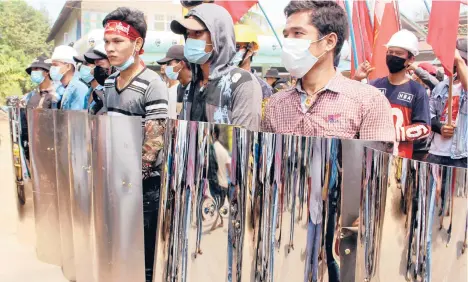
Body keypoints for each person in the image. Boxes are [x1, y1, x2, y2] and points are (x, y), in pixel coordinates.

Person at [262, 1, 394, 142]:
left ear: (329, 41)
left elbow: (375, 162)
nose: (288, 42)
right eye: (286, 35)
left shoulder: (368, 101)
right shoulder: (275, 105)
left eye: (298, 33)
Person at [102, 7, 168, 282]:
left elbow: (154, 141)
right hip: (115, 183)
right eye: (106, 41)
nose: (109, 48)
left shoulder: (152, 84)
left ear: (137, 43)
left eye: (117, 41)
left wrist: (130, 181)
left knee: (145, 261)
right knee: (118, 252)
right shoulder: (108, 82)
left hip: (144, 188)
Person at [170, 3, 262, 131]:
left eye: (197, 33)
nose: (190, 40)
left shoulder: (242, 83)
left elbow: (242, 143)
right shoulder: (192, 86)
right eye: (188, 34)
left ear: (218, 36)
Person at [354, 30, 431, 158]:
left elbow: (424, 128)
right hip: (370, 156)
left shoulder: (418, 91)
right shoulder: (373, 85)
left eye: (398, 53)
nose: (392, 56)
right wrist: (357, 80)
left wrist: (392, 133)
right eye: (390, 52)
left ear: (411, 59)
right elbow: (354, 110)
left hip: (400, 158)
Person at [426, 39, 468, 168]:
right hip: (435, 153)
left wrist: (460, 61)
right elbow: (428, 114)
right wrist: (440, 128)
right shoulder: (442, 86)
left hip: (462, 156)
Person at [232, 24, 273, 100]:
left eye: (237, 46)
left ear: (251, 49)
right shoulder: (223, 81)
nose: (233, 51)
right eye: (231, 47)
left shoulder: (263, 88)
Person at [48, 45, 90, 110]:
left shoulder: (79, 89)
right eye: (52, 65)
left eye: (55, 65)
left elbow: (76, 117)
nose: (52, 68)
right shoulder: (59, 88)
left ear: (68, 66)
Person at [157, 45, 186, 119]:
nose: (166, 67)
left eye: (169, 63)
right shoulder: (164, 87)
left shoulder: (183, 89)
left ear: (181, 63)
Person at [83, 43, 109, 115]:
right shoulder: (97, 92)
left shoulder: (117, 89)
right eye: (95, 62)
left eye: (99, 60)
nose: (96, 63)